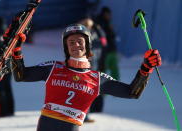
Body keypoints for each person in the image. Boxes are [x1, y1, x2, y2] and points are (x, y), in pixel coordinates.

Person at [11, 24, 161, 131]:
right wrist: (16, 51)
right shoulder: (53, 68)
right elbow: (21, 76)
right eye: (71, 42)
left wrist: (145, 68)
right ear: (66, 47)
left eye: (80, 41)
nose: (75, 45)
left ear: (88, 46)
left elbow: (132, 93)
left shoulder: (97, 78)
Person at [78, 18, 107, 118]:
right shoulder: (87, 34)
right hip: (87, 68)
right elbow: (104, 43)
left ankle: (86, 113)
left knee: (87, 91)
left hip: (91, 67)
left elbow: (103, 43)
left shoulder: (87, 34)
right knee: (86, 91)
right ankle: (85, 115)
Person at [96, 6, 120, 80]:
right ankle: (101, 87)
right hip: (104, 52)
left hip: (112, 51)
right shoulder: (99, 23)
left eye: (109, 14)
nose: (109, 16)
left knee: (114, 71)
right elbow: (101, 37)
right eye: (107, 14)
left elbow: (112, 36)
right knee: (103, 71)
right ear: (104, 14)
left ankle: (116, 85)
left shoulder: (108, 23)